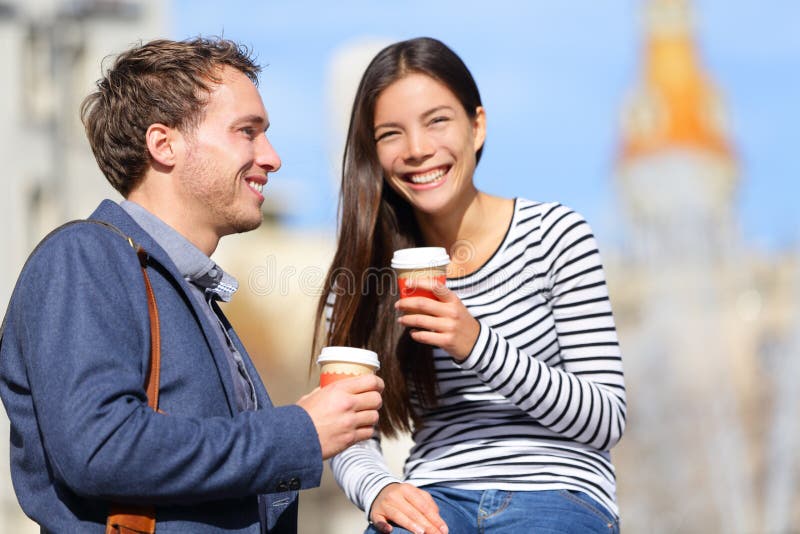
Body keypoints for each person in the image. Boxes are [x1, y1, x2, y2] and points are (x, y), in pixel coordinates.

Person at [0, 37, 383, 533]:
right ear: (164, 145)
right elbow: (101, 447)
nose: (271, 158)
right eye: (248, 132)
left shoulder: (179, 285)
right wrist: (299, 433)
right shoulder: (85, 257)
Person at [314, 37, 626, 534]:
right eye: (391, 134)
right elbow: (349, 428)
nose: (417, 150)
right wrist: (379, 490)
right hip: (435, 500)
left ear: (476, 126)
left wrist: (476, 343)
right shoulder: (363, 274)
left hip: (558, 496)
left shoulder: (555, 236)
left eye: (437, 121)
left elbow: (605, 419)